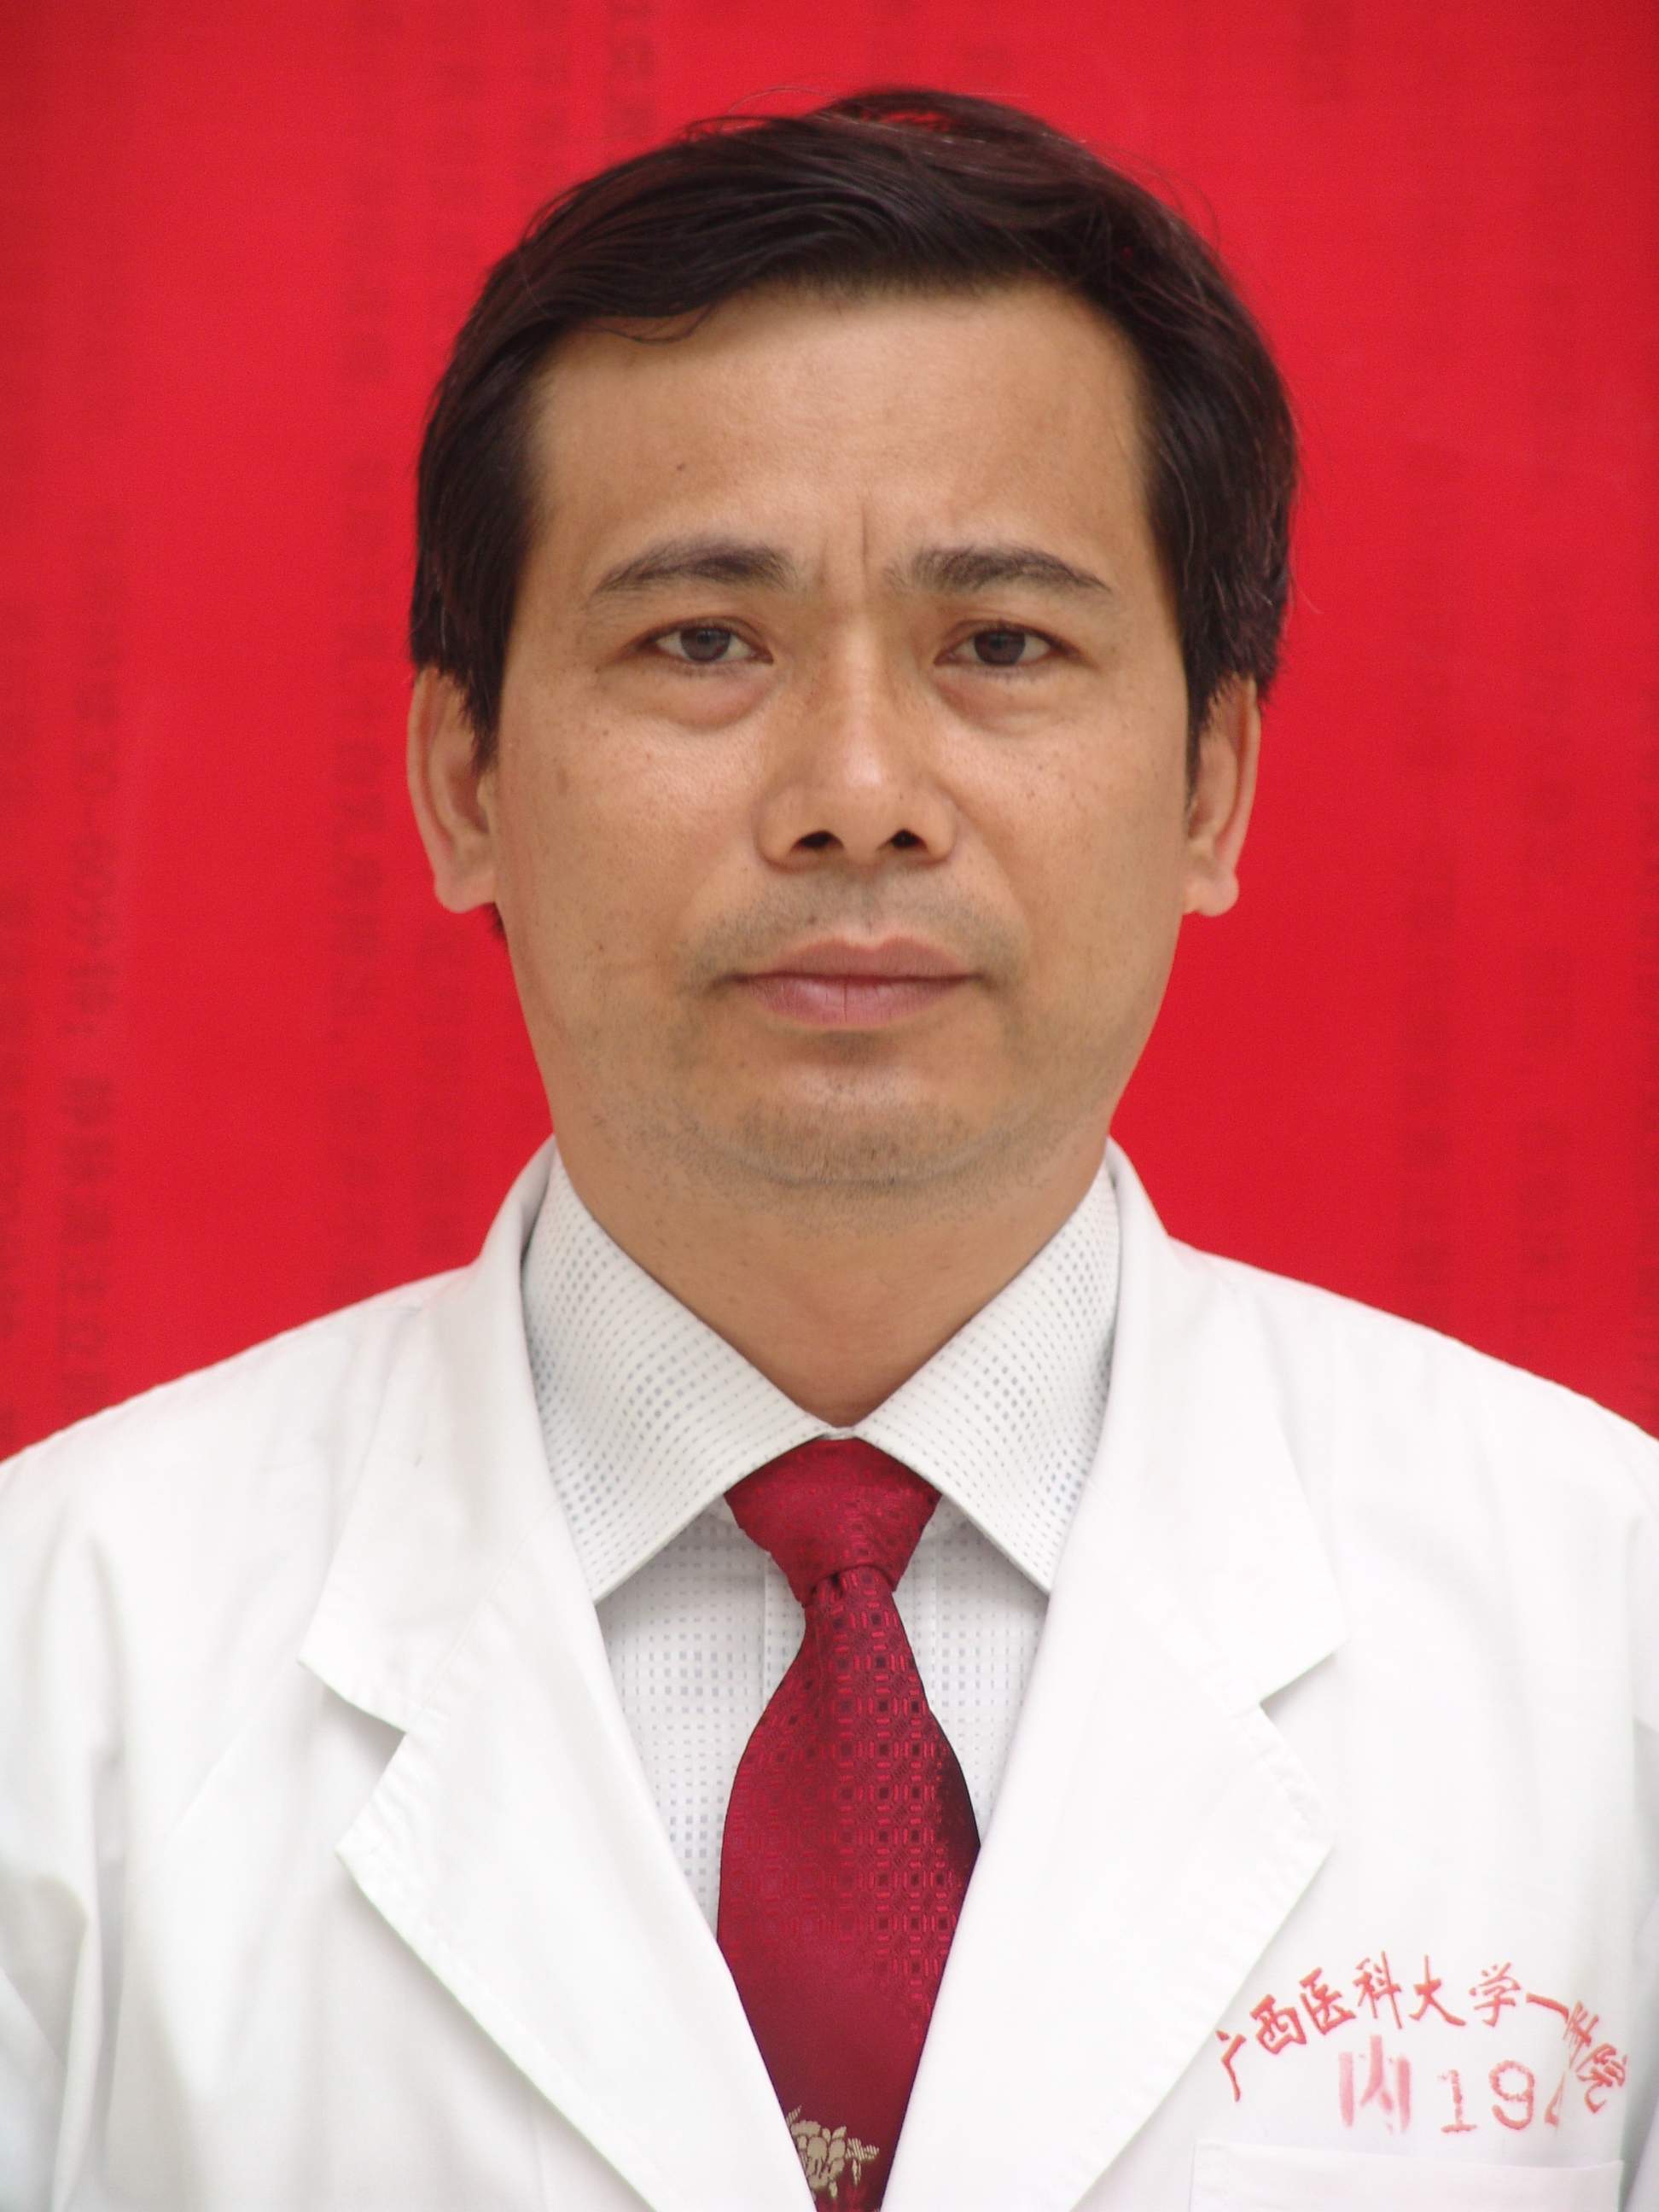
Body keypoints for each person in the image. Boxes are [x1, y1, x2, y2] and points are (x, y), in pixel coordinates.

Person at [1, 83, 1654, 2212]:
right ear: (464, 779)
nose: (860, 792)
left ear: (1212, 787)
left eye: (1003, 646)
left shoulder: (1602, 1645)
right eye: (703, 642)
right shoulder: (60, 1661)